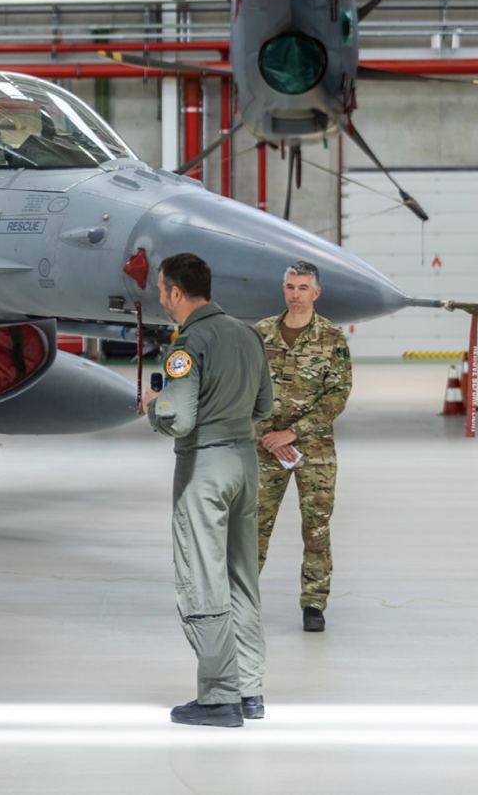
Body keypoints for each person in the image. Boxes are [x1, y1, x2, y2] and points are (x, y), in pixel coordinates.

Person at [142, 252, 274, 728]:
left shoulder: (188, 344)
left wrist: (154, 406)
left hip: (205, 467)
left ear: (176, 292)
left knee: (202, 575)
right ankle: (249, 689)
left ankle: (219, 695)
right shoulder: (248, 334)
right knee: (242, 576)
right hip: (245, 463)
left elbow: (180, 418)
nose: (161, 298)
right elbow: (264, 406)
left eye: (162, 290)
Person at [254, 260, 353, 633]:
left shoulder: (331, 338)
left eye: (303, 288)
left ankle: (314, 603)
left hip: (314, 449)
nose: (296, 295)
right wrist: (267, 433)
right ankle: (240, 598)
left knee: (316, 527)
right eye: (290, 287)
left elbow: (338, 394)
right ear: (283, 289)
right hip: (265, 446)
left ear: (316, 293)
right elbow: (244, 387)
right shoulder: (260, 333)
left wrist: (292, 433)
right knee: (253, 525)